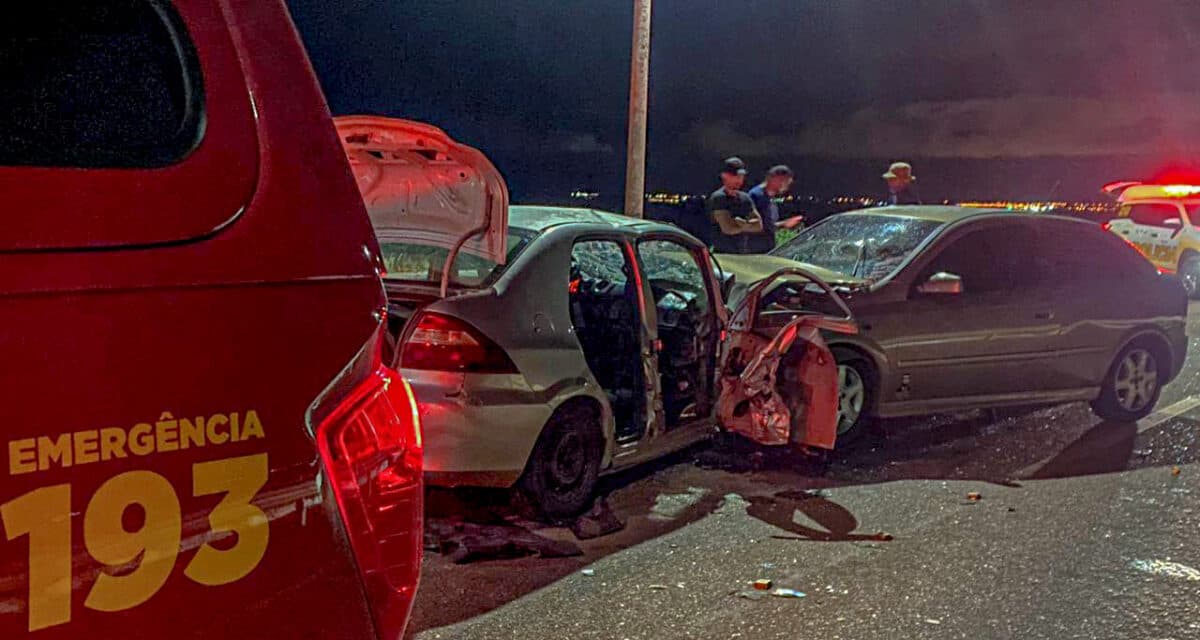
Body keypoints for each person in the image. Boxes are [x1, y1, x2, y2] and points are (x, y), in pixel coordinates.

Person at [707, 157, 762, 254]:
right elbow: (728, 229)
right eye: (735, 176)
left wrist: (741, 224)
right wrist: (748, 225)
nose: (739, 179)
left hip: (742, 253)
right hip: (722, 255)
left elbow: (759, 226)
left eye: (741, 176)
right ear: (724, 176)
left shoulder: (745, 198)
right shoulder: (719, 198)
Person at [746, 165, 805, 253]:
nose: (786, 187)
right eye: (785, 182)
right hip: (757, 249)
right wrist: (785, 224)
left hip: (764, 247)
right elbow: (761, 226)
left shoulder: (767, 197)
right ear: (775, 179)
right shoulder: (757, 196)